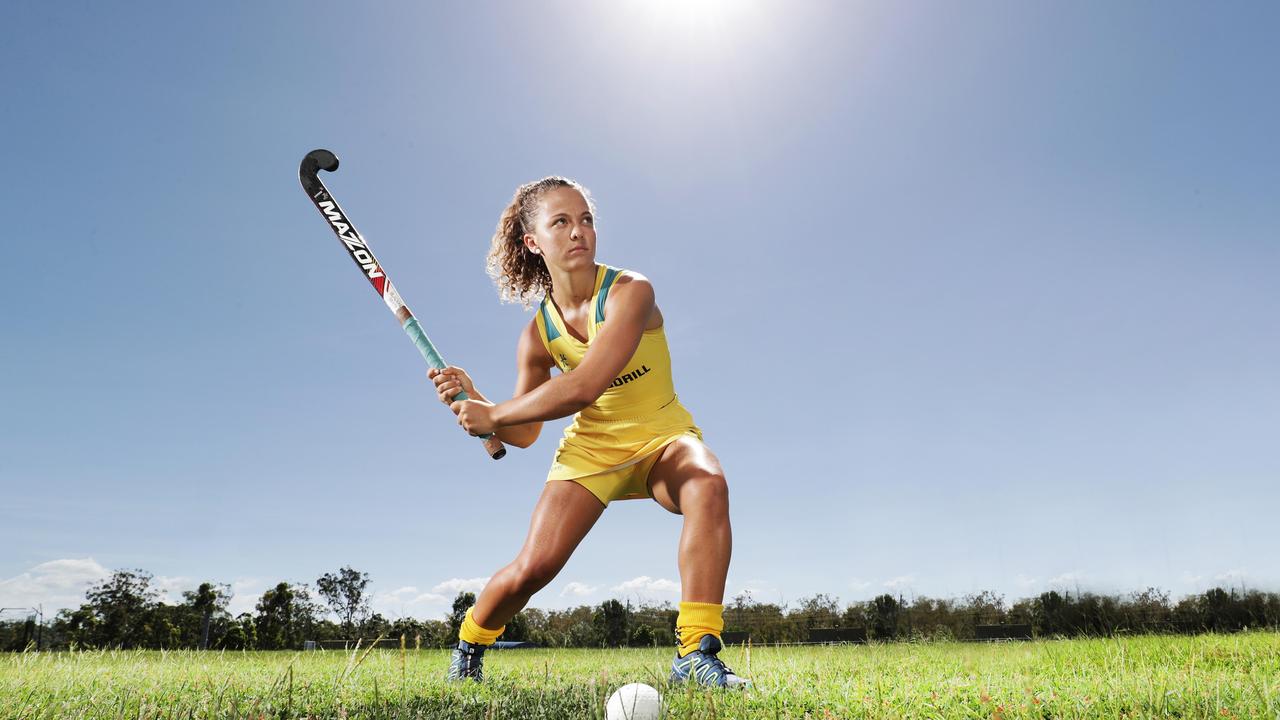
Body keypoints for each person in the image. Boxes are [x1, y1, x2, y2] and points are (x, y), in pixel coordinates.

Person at [429, 177, 747, 689]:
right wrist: (480, 403)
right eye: (561, 222)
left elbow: (583, 386)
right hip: (591, 451)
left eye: (585, 219)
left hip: (662, 436)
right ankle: (470, 643)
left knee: (707, 483)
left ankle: (696, 651)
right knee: (534, 568)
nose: (579, 231)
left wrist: (494, 415)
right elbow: (527, 432)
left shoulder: (631, 291)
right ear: (533, 242)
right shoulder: (538, 335)